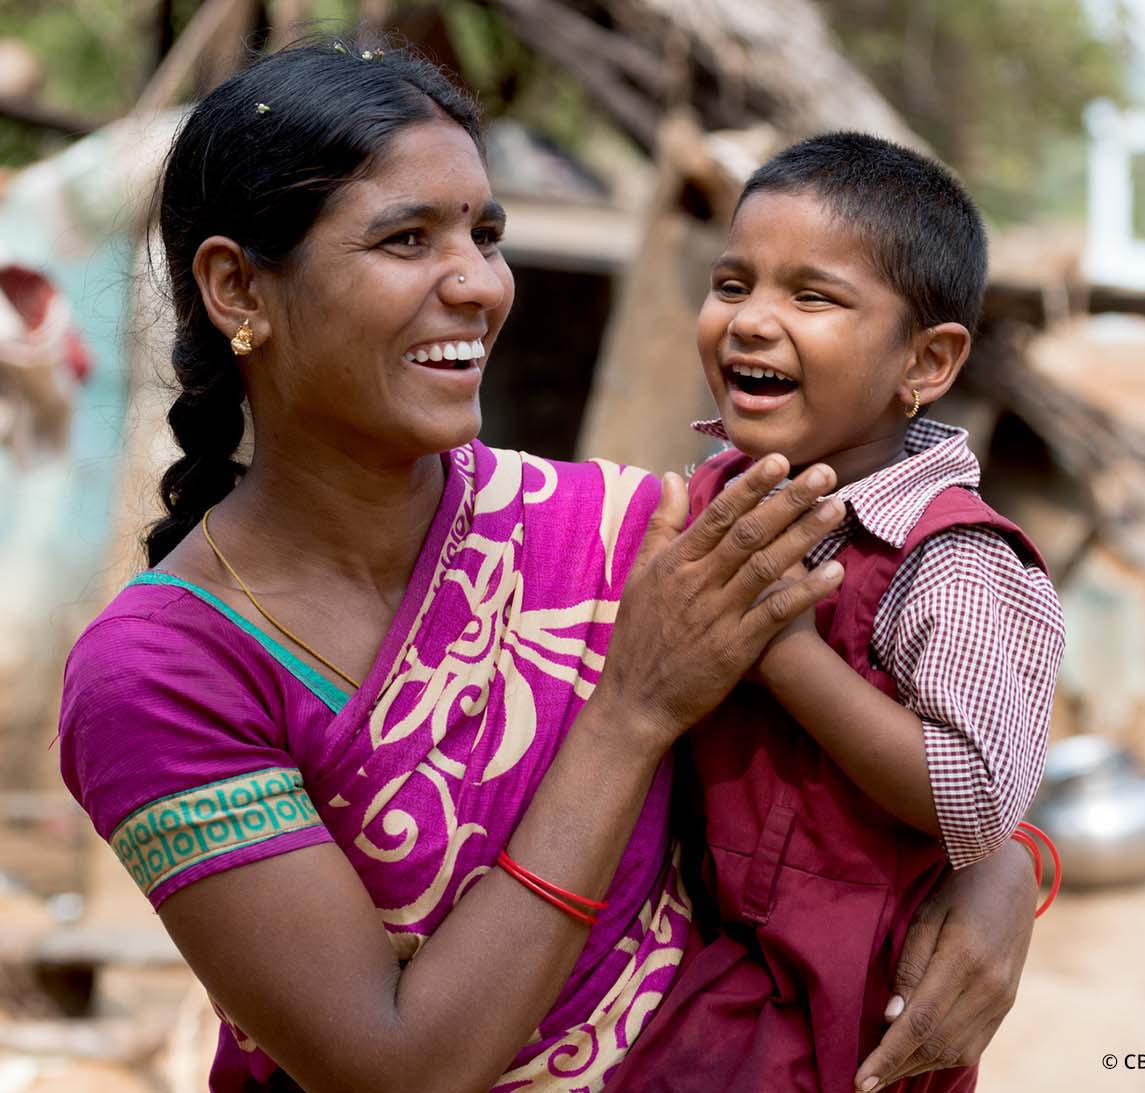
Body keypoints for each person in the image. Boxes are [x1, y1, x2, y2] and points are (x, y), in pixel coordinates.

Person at [56, 44, 1041, 1093]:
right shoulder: (157, 678)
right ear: (236, 286)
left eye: (485, 235)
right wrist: (627, 714)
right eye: (405, 239)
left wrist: (1006, 868)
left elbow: (931, 730)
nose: (478, 285)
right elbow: (394, 1071)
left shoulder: (619, 530)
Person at [610, 134, 1066, 1093]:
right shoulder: (713, 495)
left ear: (927, 361)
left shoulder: (950, 561)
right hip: (699, 973)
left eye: (811, 297)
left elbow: (978, 796)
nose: (751, 322)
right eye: (733, 284)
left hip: (839, 1022)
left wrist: (782, 647)